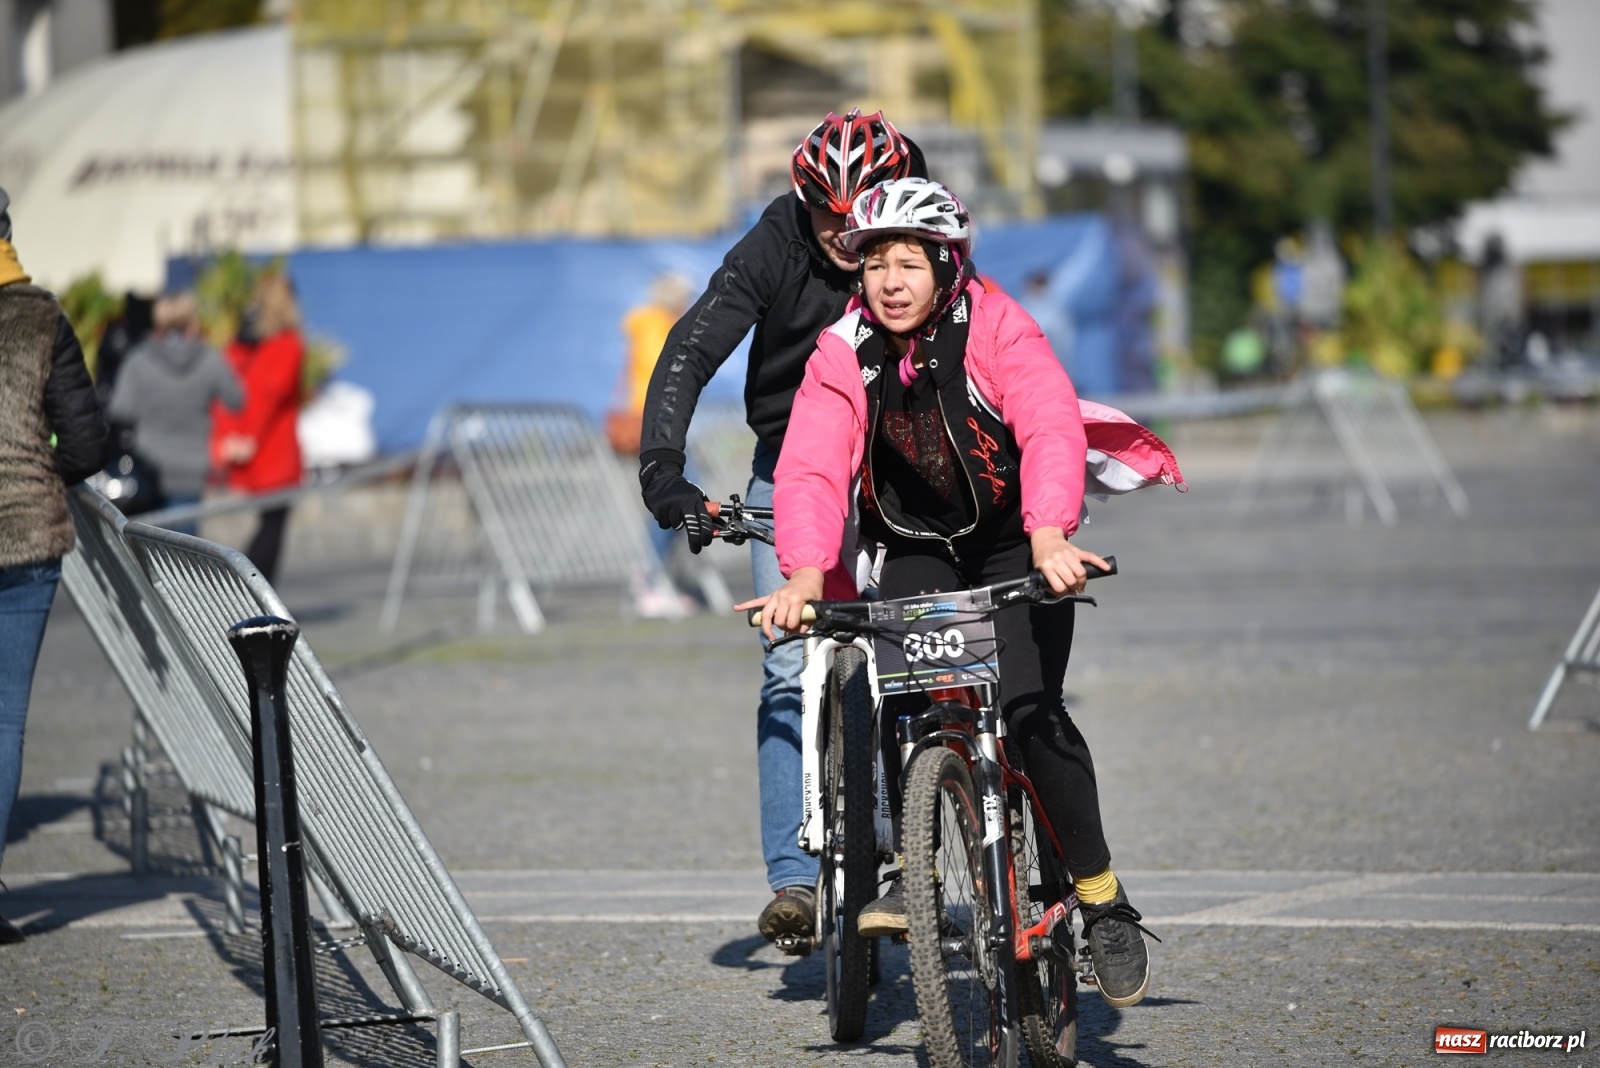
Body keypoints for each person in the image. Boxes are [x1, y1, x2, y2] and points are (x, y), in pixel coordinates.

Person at [754, 177, 1169, 1011]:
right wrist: (802, 572)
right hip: (915, 548)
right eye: (875, 265)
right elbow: (809, 466)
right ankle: (916, 849)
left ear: (946, 265)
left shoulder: (999, 325)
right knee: (910, 709)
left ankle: (1100, 898)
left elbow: (1050, 424)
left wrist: (1051, 532)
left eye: (910, 263)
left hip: (1019, 541)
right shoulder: (842, 351)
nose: (892, 282)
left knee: (1027, 709)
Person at [637, 109, 923, 949]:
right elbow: (693, 345)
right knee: (787, 666)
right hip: (786, 470)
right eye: (824, 213)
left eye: (857, 212)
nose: (842, 233)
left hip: (897, 470)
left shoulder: (919, 238)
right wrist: (662, 469)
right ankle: (794, 883)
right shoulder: (779, 237)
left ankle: (913, 846)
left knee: (911, 659)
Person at [0, 186, 110, 944]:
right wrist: (44, 472)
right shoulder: (40, 315)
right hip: (26, 540)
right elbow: (90, 443)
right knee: (4, 720)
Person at [213, 272, 305, 585]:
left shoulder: (241, 346)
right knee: (273, 525)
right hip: (272, 448)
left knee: (270, 522)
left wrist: (230, 436)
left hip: (251, 444)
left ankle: (251, 589)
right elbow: (270, 395)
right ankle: (252, 590)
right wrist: (247, 437)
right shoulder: (286, 344)